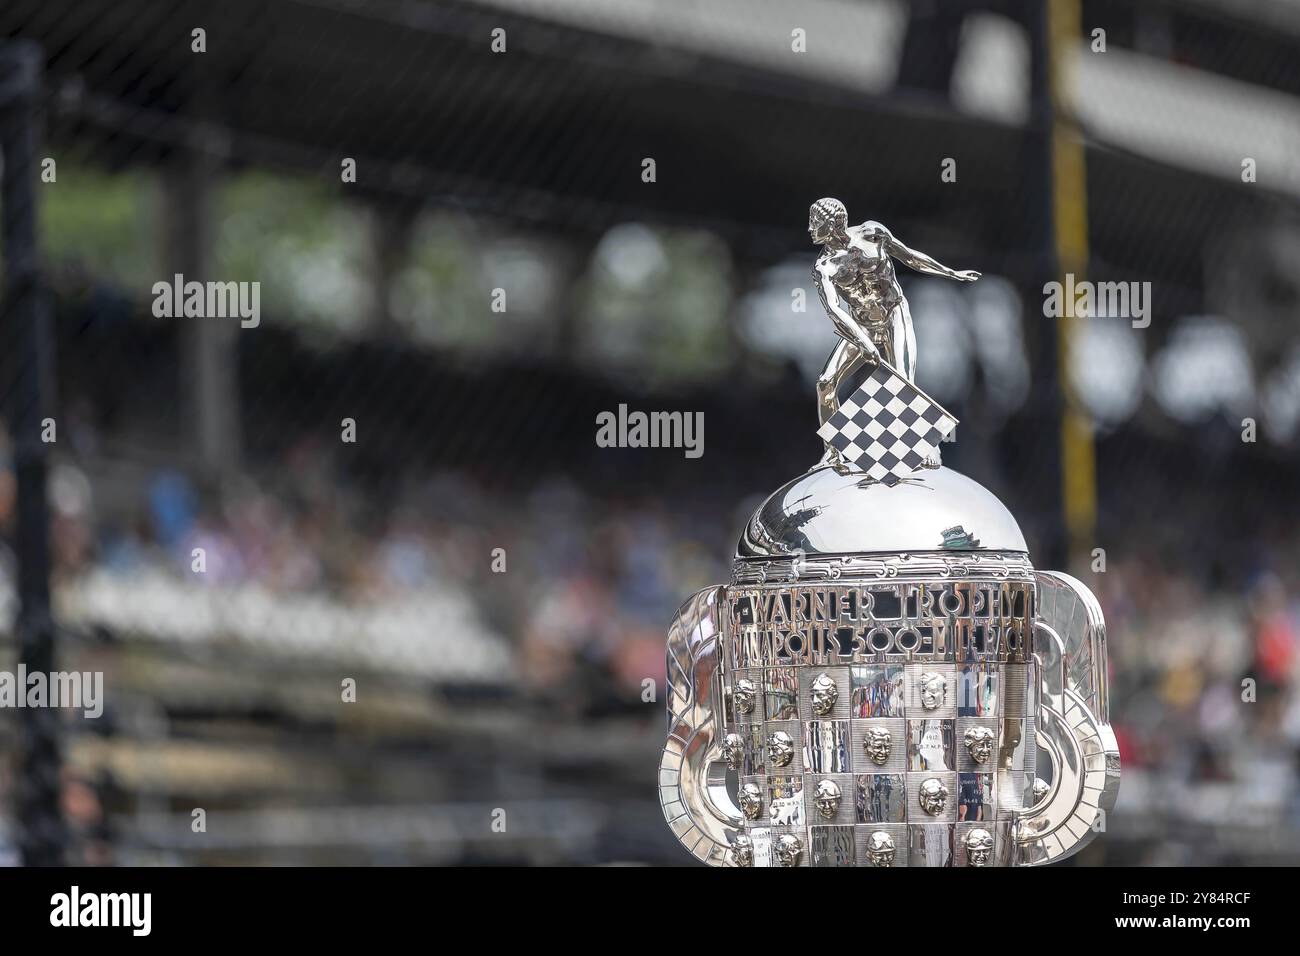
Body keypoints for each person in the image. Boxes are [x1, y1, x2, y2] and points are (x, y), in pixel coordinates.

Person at [809, 197, 980, 469]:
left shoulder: (872, 233)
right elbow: (834, 310)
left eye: (816, 222)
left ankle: (926, 444)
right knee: (825, 383)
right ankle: (833, 452)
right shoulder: (824, 267)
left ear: (833, 223)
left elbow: (910, 256)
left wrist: (951, 272)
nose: (810, 229)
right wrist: (863, 341)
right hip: (860, 324)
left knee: (902, 380)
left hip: (893, 314)